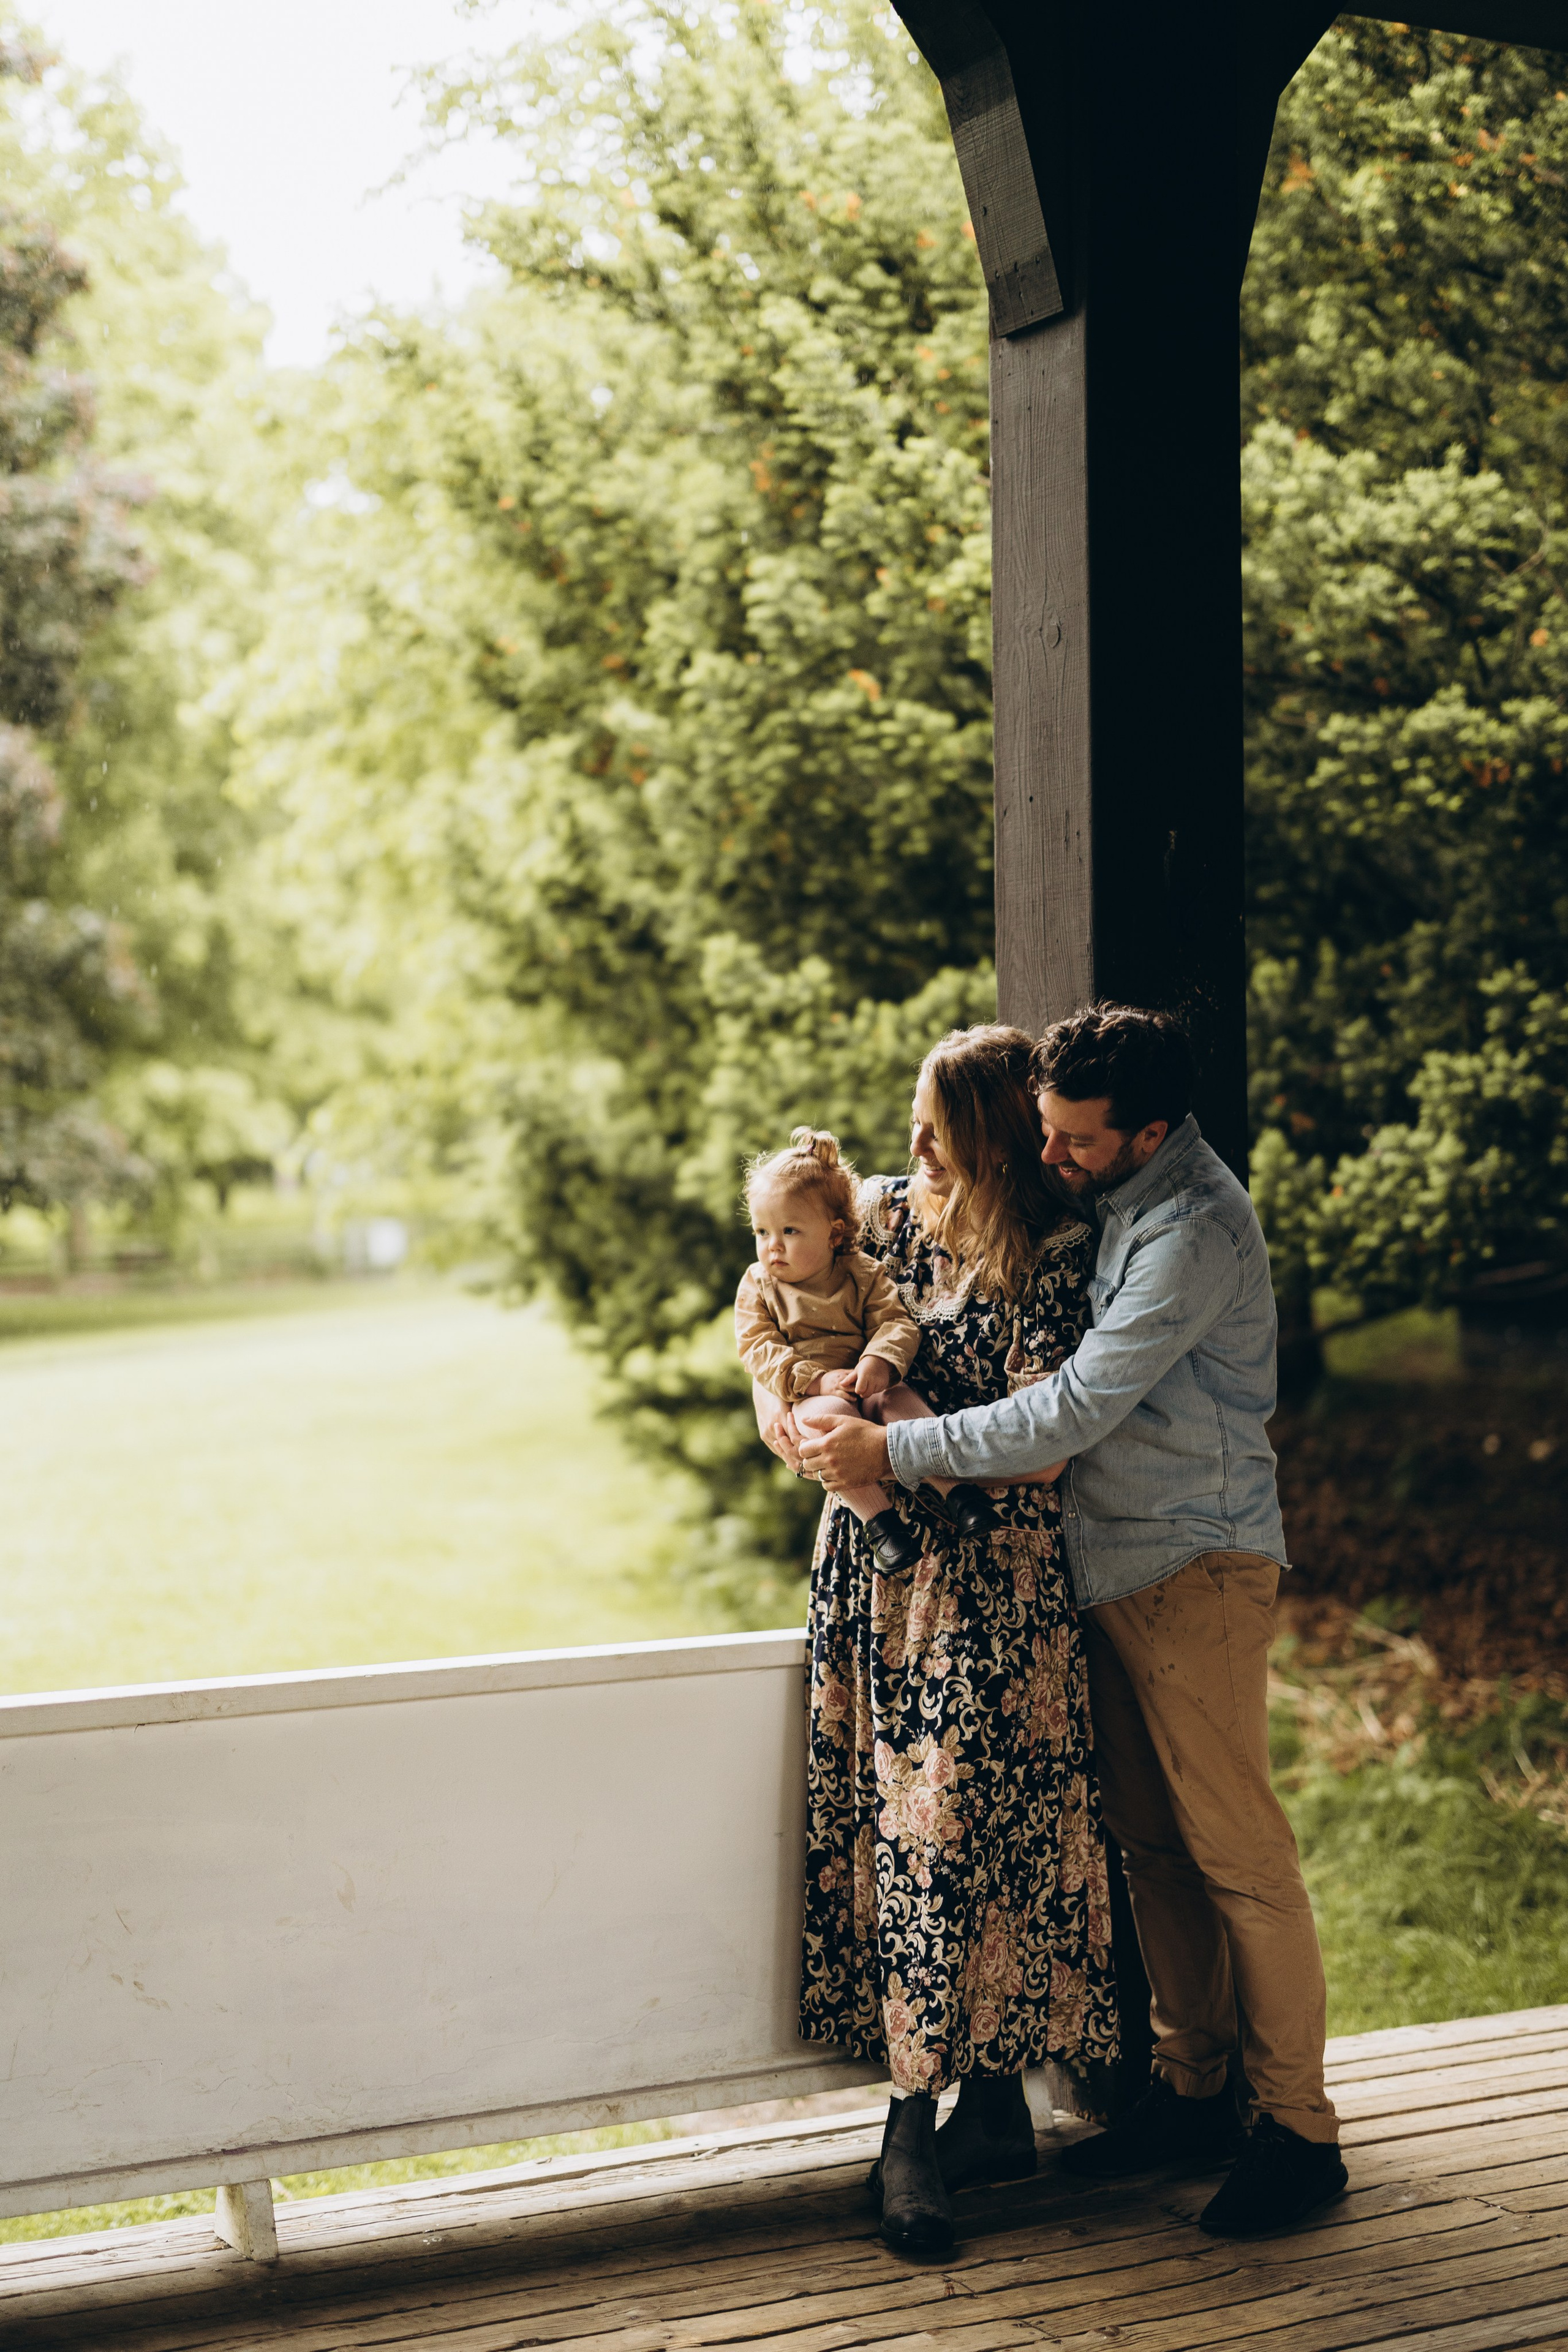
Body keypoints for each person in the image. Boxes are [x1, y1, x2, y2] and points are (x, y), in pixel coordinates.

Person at [799, 1003, 1348, 2241]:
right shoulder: (1106, 1192)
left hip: (1191, 1565)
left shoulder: (1191, 1232)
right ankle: (1192, 2091)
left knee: (1236, 1858)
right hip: (1107, 1571)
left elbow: (1067, 1415)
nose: (1051, 1159)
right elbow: (887, 1207)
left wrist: (889, 1446)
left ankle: (1299, 2132)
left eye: (1074, 1142)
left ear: (1146, 1131)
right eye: (1037, 1134)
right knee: (1152, 1852)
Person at [756, 1025, 1120, 2256]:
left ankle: (930, 2122)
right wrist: (792, 1416)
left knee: (962, 1840)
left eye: (936, 1130)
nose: (911, 1151)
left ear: (997, 1137)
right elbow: (777, 1320)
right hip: (876, 1576)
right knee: (887, 1833)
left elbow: (1049, 1438)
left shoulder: (1055, 1257)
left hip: (991, 1589)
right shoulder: (888, 1223)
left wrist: (888, 1445)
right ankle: (964, 2113)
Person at [737, 1126, 998, 1574]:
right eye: (762, 1231)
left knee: (900, 1402)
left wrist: (879, 1361)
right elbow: (757, 1347)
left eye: (789, 1230)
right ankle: (881, 1524)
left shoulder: (862, 1272)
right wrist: (814, 1379)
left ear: (834, 1233)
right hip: (812, 1392)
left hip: (865, 1379)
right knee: (825, 1423)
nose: (772, 1246)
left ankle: (958, 1492)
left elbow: (894, 1321)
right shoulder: (759, 1286)